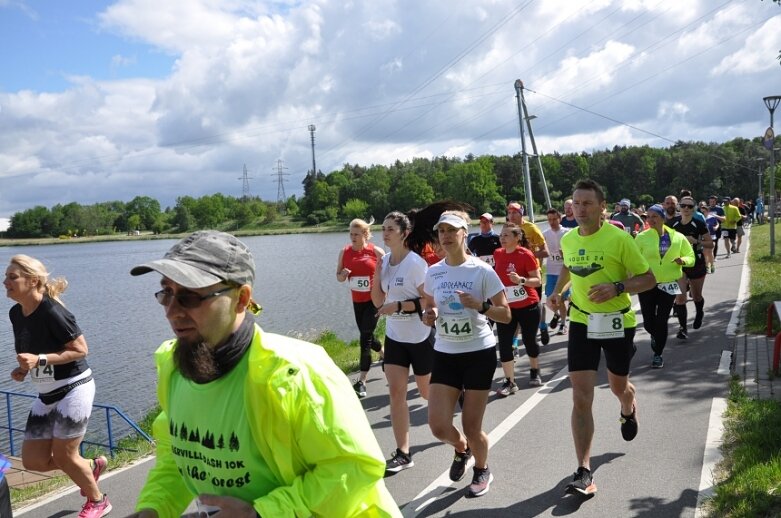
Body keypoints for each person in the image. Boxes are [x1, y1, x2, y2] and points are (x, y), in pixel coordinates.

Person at [128, 231, 400, 517]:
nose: (172, 312)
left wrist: (263, 513)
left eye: (189, 297)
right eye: (166, 293)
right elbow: (178, 454)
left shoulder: (295, 375)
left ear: (241, 299)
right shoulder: (174, 368)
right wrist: (153, 509)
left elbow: (354, 468)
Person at [547, 180, 656, 496]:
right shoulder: (568, 239)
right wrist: (556, 292)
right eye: (575, 203)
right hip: (582, 320)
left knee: (617, 386)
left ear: (602, 207)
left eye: (587, 204)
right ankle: (583, 470)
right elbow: (569, 267)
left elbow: (649, 279)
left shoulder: (619, 239)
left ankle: (628, 404)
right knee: (580, 395)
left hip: (617, 321)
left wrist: (617, 287)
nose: (579, 209)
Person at [4, 255, 110, 518]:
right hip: (46, 394)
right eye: (6, 276)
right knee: (33, 461)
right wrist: (23, 368)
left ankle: (98, 501)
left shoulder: (52, 311)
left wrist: (38, 359)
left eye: (12, 277)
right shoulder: (16, 313)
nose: (4, 281)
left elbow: (81, 349)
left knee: (64, 455)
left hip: (75, 388)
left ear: (33, 281)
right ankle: (88, 467)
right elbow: (35, 350)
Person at [423, 211, 511, 498]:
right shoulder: (434, 272)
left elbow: (506, 314)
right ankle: (462, 450)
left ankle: (482, 468)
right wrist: (430, 314)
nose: (446, 236)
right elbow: (431, 304)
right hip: (446, 352)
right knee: (437, 426)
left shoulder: (481, 271)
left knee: (472, 426)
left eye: (452, 230)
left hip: (478, 353)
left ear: (464, 233)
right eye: (442, 231)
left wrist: (481, 306)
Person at [371, 212, 434, 474]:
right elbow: (377, 302)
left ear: (404, 233)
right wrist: (376, 273)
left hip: (420, 336)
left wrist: (398, 305)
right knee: (396, 393)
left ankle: (456, 406)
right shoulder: (385, 262)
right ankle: (403, 452)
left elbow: (430, 301)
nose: (384, 233)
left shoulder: (415, 264)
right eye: (383, 229)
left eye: (390, 229)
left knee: (425, 392)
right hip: (396, 337)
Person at [635, 205, 695, 368]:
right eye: (648, 217)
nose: (650, 220)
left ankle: (658, 354)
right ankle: (656, 335)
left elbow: (691, 257)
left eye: (654, 216)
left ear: (663, 218)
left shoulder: (677, 237)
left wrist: (683, 261)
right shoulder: (642, 237)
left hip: (668, 283)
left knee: (662, 320)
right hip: (647, 283)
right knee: (648, 322)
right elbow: (634, 259)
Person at [336, 218, 386, 398]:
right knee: (368, 335)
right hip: (357, 301)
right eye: (351, 234)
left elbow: (388, 274)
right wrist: (343, 275)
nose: (352, 237)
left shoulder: (376, 251)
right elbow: (338, 277)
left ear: (365, 234)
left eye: (356, 234)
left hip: (374, 300)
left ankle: (362, 380)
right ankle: (382, 353)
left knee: (364, 337)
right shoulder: (345, 252)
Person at [493, 223, 543, 392]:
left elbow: (538, 280)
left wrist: (521, 280)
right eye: (501, 235)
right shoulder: (498, 254)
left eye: (506, 235)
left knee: (529, 341)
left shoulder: (525, 254)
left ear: (517, 238)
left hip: (528, 305)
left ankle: (534, 370)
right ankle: (510, 382)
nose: (502, 239)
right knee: (505, 343)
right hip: (506, 307)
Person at [506, 202, 551, 345]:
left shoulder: (531, 228)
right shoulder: (507, 229)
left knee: (536, 304)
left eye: (515, 212)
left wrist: (529, 255)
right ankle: (514, 341)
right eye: (509, 212)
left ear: (521, 213)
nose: (511, 216)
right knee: (516, 306)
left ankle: (542, 326)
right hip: (514, 274)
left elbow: (545, 252)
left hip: (531, 273)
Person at [669, 196, 713, 339]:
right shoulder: (672, 223)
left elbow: (710, 244)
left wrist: (696, 241)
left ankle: (699, 312)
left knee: (696, 295)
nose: (686, 209)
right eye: (683, 206)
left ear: (694, 208)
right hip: (678, 264)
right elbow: (663, 240)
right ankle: (682, 328)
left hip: (696, 262)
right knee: (680, 298)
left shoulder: (699, 223)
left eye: (689, 206)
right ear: (679, 207)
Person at [542, 208, 570, 335]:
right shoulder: (545, 234)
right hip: (551, 271)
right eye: (549, 220)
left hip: (564, 271)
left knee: (562, 299)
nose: (552, 222)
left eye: (554, 219)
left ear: (559, 218)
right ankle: (557, 315)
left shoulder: (567, 233)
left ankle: (563, 324)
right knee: (549, 299)